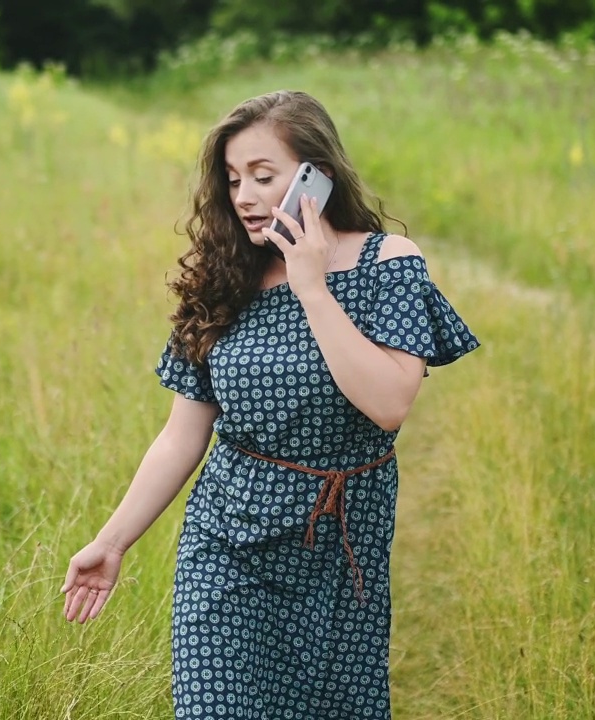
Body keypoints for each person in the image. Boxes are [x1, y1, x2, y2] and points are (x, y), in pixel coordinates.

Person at [60, 90, 480, 718]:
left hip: (339, 552)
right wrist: (113, 542)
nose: (245, 196)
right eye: (233, 180)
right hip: (225, 542)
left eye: (264, 176)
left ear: (318, 178)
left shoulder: (387, 266)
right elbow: (182, 435)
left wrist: (311, 284)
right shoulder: (224, 276)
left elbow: (390, 404)